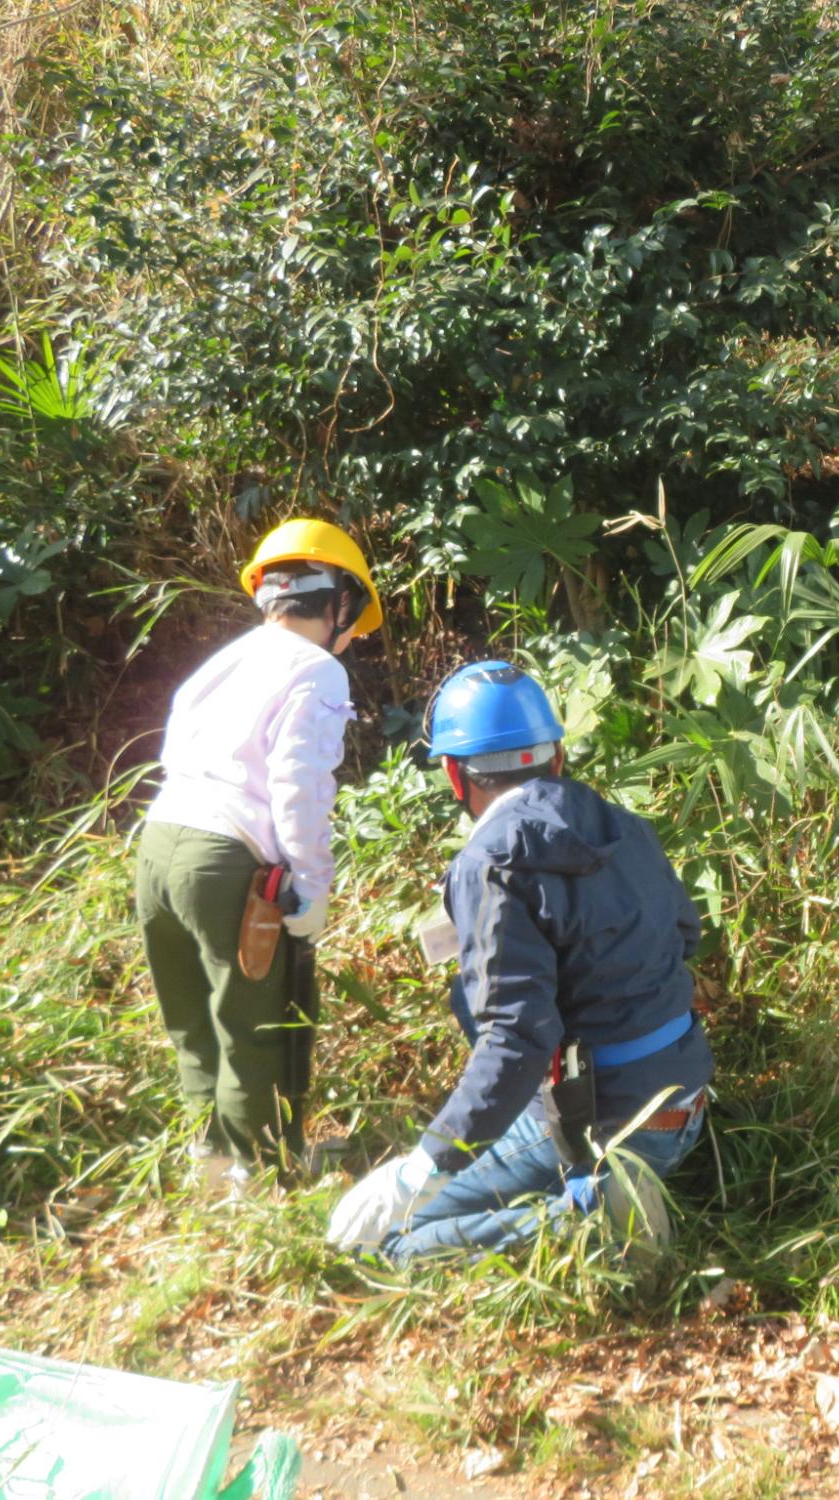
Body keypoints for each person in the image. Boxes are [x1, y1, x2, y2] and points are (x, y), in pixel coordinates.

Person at [325, 661, 712, 1263]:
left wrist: (420, 1169)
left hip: (601, 1122)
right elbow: (687, 934)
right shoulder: (626, 828)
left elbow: (515, 1041)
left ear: (455, 774)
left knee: (388, 1244)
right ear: (556, 755)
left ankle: (591, 1219)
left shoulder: (489, 863)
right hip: (683, 1105)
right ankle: (611, 1191)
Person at [137, 518, 381, 1177]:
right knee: (258, 1023)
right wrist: (312, 884)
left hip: (158, 846)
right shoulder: (318, 670)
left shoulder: (225, 660)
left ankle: (211, 1162)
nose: (353, 636)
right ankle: (262, 1178)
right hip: (222, 859)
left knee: (194, 1017)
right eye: (354, 619)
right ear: (338, 604)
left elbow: (175, 747)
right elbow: (298, 785)